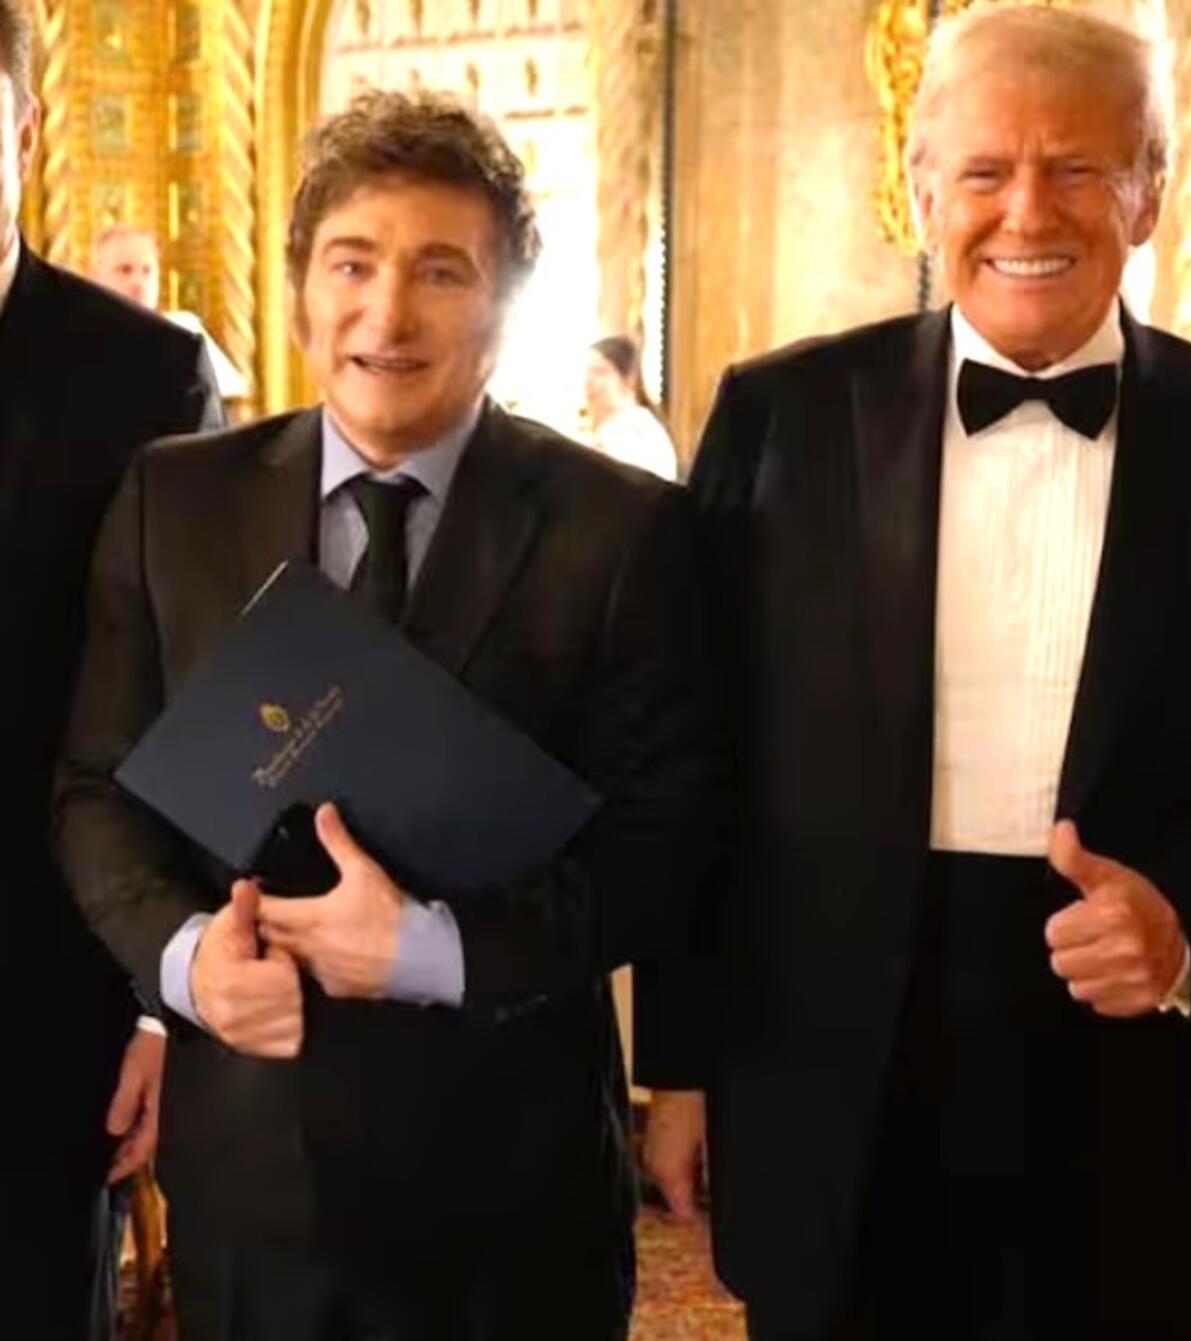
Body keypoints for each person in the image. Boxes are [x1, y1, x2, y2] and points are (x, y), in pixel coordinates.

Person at [635, 8, 1191, 1339]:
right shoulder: (781, 416)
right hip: (833, 1060)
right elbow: (704, 759)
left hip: (1130, 1058)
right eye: (984, 170)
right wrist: (680, 1069)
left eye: (1080, 167)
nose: (1026, 208)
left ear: (1148, 194)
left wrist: (1188, 914)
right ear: (924, 194)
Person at [54, 90, 720, 1340]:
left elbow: (665, 846)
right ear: (301, 283)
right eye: (352, 264)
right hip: (254, 1165)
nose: (387, 314)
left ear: (507, 300)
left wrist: (429, 949)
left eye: (440, 271)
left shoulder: (619, 531)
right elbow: (96, 788)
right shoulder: (173, 500)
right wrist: (186, 965)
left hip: (513, 1181)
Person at [0, 2, 223, 1333]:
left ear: (20, 132)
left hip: (45, 992)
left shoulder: (142, 373)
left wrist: (160, 1002)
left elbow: (192, 706)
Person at [89, 222, 252, 402]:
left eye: (147, 270)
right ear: (96, 277)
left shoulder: (182, 330)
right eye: (125, 270)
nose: (138, 283)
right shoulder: (80, 338)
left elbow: (232, 404)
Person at [584, 333, 677, 481]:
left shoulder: (634, 432)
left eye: (600, 372)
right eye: (588, 371)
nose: (589, 381)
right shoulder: (614, 427)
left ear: (627, 379)